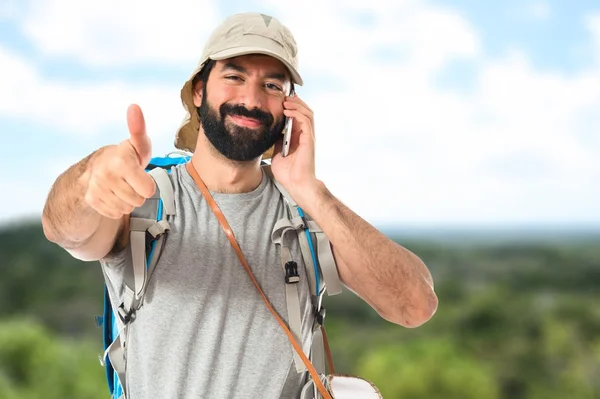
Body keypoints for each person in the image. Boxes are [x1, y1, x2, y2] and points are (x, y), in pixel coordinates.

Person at [41, 12, 438, 399]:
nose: (251, 99)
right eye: (234, 76)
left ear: (290, 107)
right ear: (199, 90)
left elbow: (414, 306)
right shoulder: (145, 200)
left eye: (272, 85)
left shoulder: (306, 216)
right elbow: (64, 230)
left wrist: (309, 188)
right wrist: (90, 176)